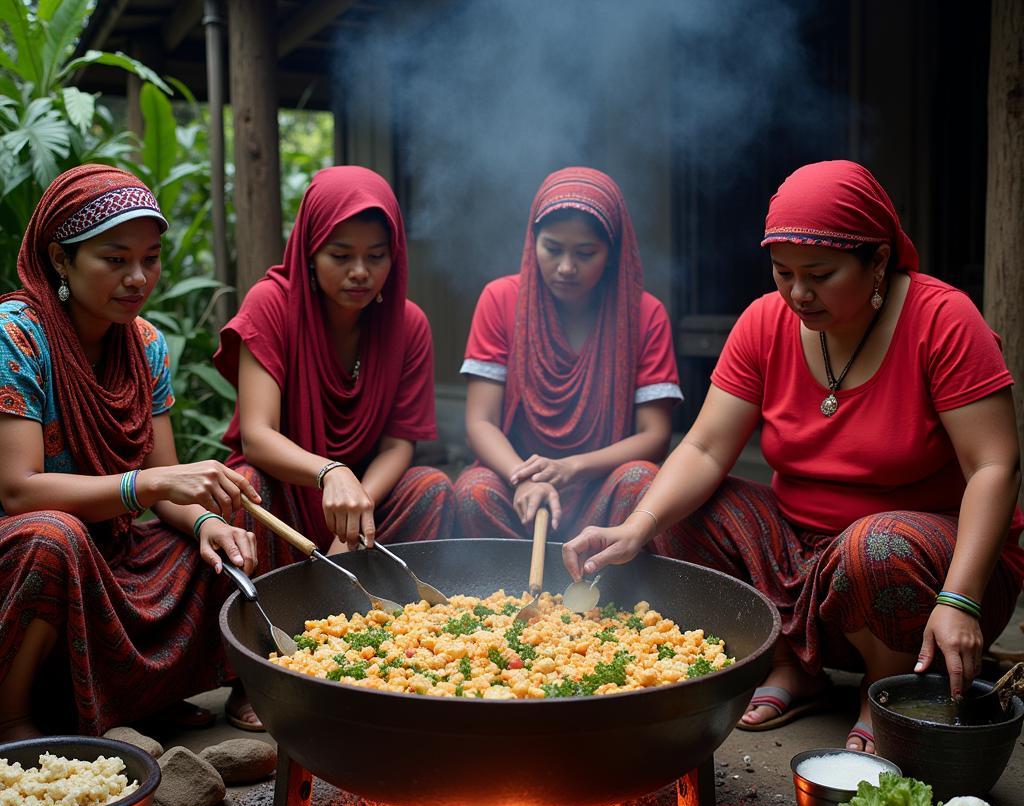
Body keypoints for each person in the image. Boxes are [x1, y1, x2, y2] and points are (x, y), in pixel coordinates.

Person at [562, 159, 1024, 753]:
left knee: (873, 546)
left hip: (931, 569)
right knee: (639, 489)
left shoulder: (943, 321)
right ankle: (790, 665)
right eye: (784, 273)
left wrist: (961, 599)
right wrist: (635, 528)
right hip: (797, 553)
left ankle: (887, 689)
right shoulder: (764, 322)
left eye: (821, 274)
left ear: (878, 260)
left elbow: (995, 466)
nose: (799, 293)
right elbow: (703, 447)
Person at [0, 164, 265, 741]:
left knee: (237, 499)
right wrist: (144, 487)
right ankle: (13, 715)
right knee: (55, 539)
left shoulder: (145, 344)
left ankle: (144, 699)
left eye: (150, 258)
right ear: (60, 258)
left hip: (115, 547)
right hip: (25, 552)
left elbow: (164, 478)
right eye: (114, 259)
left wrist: (206, 522)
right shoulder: (16, 334)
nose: (137, 277)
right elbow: (18, 491)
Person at [214, 166, 455, 559]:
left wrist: (357, 509)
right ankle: (259, 617)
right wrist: (331, 472)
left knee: (431, 487)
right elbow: (257, 436)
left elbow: (398, 445)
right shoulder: (270, 305)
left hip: (365, 498)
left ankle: (403, 614)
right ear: (310, 250)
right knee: (246, 485)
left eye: (376, 256)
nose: (360, 272)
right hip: (287, 492)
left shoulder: (409, 324)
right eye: (341, 256)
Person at [454, 167, 681, 539]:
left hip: (598, 485)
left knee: (641, 480)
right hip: (515, 479)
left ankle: (602, 592)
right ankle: (502, 595)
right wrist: (523, 478)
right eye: (552, 248)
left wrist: (572, 467)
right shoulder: (499, 300)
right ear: (533, 242)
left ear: (612, 251)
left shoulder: (645, 314)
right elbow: (480, 422)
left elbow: (654, 435)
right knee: (472, 491)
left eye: (585, 253)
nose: (566, 268)